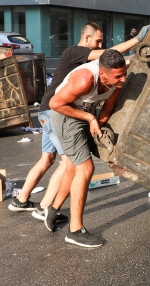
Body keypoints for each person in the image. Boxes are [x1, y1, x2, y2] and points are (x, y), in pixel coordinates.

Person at [8, 22, 150, 221]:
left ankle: (20, 200)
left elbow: (113, 62)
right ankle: (45, 208)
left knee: (47, 159)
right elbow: (109, 54)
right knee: (70, 162)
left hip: (51, 110)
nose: (100, 45)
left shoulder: (97, 66)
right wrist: (137, 40)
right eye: (98, 41)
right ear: (87, 38)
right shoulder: (74, 52)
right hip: (55, 110)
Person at [48, 50, 127, 247]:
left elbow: (107, 108)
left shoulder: (115, 81)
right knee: (86, 168)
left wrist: (97, 125)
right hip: (65, 114)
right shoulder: (85, 79)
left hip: (84, 113)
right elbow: (54, 103)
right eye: (118, 76)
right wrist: (90, 118)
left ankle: (53, 209)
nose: (123, 79)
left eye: (124, 73)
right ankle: (75, 231)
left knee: (74, 167)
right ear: (102, 74)